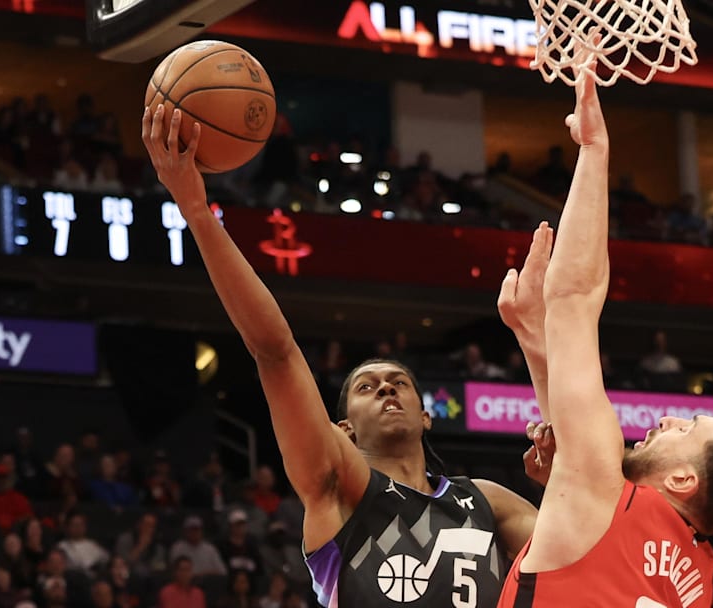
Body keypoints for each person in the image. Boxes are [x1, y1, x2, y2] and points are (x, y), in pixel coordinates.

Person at [141, 103, 553, 607]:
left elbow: (582, 544)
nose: (385, 387)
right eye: (366, 386)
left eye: (399, 382)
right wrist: (198, 213)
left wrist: (562, 477)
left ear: (426, 417)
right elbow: (274, 351)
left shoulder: (485, 500)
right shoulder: (339, 484)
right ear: (343, 430)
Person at [496, 59, 713, 607]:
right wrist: (535, 339)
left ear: (681, 481)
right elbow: (584, 487)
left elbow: (574, 298)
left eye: (687, 427)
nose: (669, 418)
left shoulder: (606, 494)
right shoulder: (697, 576)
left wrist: (594, 150)